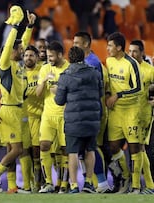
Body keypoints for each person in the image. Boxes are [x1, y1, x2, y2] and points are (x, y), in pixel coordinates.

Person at [0, 6, 35, 193]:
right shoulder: (6, 64)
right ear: (12, 50)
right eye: (20, 48)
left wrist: (28, 27)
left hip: (11, 110)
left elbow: (22, 42)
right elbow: (9, 47)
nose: (23, 50)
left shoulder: (19, 64)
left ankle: (11, 186)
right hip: (10, 111)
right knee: (16, 150)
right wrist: (15, 27)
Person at [55, 46, 102, 193]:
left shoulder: (65, 76)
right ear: (83, 57)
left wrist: (56, 90)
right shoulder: (94, 73)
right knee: (90, 150)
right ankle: (88, 183)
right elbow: (100, 93)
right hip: (93, 118)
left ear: (69, 58)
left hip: (74, 120)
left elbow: (59, 101)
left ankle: (74, 185)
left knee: (73, 152)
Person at [72, 31, 112, 193]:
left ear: (86, 44)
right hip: (86, 110)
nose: (74, 45)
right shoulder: (85, 61)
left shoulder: (92, 63)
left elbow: (94, 89)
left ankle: (102, 183)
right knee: (84, 148)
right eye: (73, 42)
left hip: (91, 111)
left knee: (91, 147)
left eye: (77, 43)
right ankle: (93, 182)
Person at [105, 32, 143, 194]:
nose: (107, 49)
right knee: (113, 146)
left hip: (131, 111)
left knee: (134, 148)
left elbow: (138, 88)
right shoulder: (109, 61)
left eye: (110, 46)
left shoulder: (131, 63)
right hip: (115, 112)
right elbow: (108, 83)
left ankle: (136, 185)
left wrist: (118, 95)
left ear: (119, 47)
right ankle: (126, 177)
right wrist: (108, 94)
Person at [36, 41, 70, 193]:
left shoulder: (69, 68)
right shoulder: (45, 69)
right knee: (44, 145)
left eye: (51, 56)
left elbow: (75, 92)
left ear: (60, 55)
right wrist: (43, 82)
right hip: (48, 115)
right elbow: (38, 94)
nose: (49, 58)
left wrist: (62, 91)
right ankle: (48, 183)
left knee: (65, 149)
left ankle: (63, 184)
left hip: (64, 114)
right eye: (48, 56)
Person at [128, 40, 154, 194]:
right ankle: (141, 186)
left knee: (139, 149)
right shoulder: (126, 67)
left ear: (142, 53)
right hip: (128, 114)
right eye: (130, 51)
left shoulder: (149, 70)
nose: (131, 54)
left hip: (143, 115)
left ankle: (142, 186)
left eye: (135, 51)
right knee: (137, 149)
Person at [23, 45, 44, 192]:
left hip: (39, 116)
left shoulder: (42, 70)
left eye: (31, 55)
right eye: (26, 55)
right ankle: (28, 184)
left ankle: (38, 184)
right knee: (24, 151)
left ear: (36, 57)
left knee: (37, 151)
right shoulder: (20, 72)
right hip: (23, 118)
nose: (28, 58)